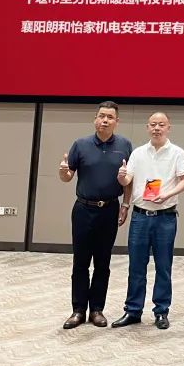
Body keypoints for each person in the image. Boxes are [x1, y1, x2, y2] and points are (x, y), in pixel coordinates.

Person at [111, 112, 184, 331]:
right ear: (147, 128)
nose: (157, 128)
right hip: (140, 216)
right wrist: (121, 176)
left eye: (161, 125)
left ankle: (161, 311)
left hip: (165, 217)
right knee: (136, 266)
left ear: (168, 128)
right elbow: (127, 180)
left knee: (163, 266)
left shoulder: (177, 153)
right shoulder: (138, 153)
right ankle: (133, 310)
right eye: (153, 125)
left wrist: (168, 194)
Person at [59, 101, 133, 329]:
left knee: (103, 262)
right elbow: (67, 176)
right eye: (101, 116)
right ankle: (78, 310)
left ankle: (97, 310)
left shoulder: (124, 145)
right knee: (80, 262)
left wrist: (125, 204)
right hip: (83, 209)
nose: (105, 120)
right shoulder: (80, 145)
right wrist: (63, 172)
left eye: (110, 117)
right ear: (95, 119)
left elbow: (129, 179)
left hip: (109, 209)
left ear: (116, 121)